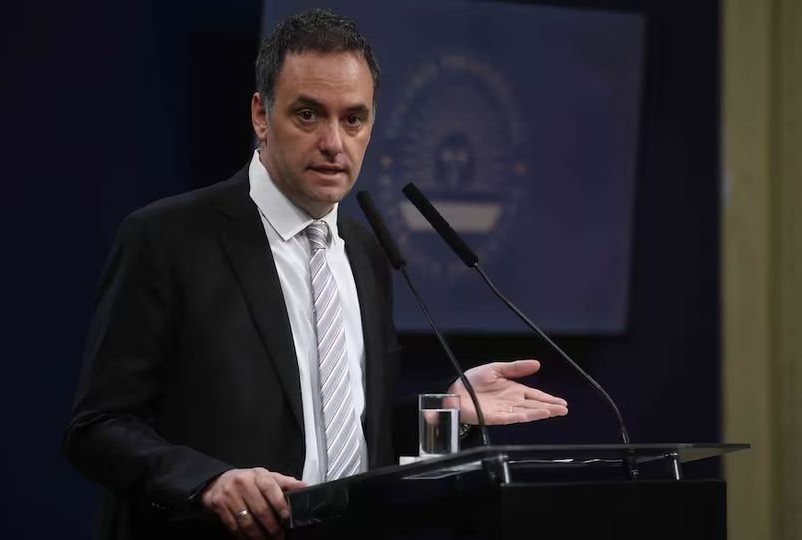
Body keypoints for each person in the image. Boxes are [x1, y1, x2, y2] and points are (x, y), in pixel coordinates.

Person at [64, 8, 568, 540]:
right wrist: (208, 482)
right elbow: (96, 429)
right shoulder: (168, 238)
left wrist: (446, 415)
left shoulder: (367, 251)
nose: (334, 142)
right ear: (261, 115)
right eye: (308, 115)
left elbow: (357, 441)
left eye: (353, 119)